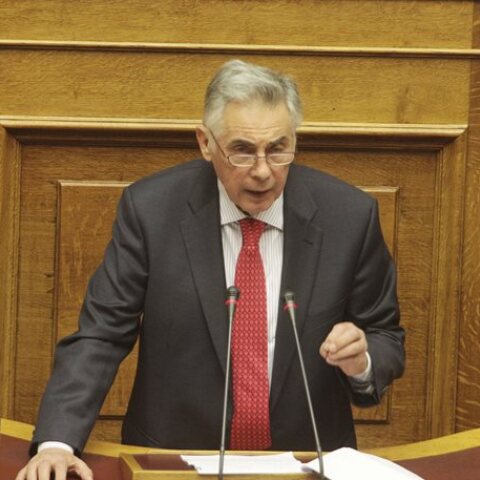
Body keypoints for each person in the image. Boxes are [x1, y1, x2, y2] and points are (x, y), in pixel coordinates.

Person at [16, 59, 405, 480]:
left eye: (278, 149)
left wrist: (361, 360)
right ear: (206, 143)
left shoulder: (349, 216)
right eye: (242, 150)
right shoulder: (151, 211)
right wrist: (57, 443)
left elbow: (384, 335)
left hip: (307, 464)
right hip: (172, 465)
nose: (262, 171)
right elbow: (102, 333)